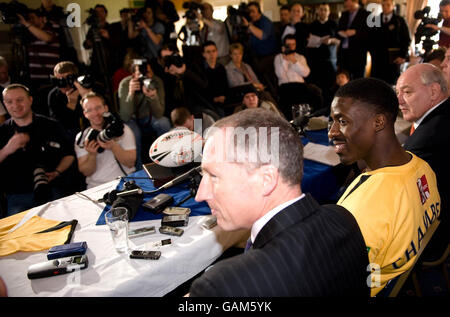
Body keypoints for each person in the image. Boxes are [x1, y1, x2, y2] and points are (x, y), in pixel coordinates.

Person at [188, 108, 370, 296]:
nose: (200, 194)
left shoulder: (221, 286)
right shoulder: (341, 217)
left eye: (214, 176)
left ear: (266, 180)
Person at [329, 78, 441, 296]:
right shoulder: (421, 166)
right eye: (332, 121)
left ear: (378, 122)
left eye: (342, 121)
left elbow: (331, 280)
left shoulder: (362, 209)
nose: (331, 132)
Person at [397, 63, 450, 262]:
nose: (399, 100)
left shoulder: (428, 139)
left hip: (432, 234)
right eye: (397, 92)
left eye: (407, 92)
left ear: (433, 92)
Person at [0, 84, 76, 216]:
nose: (15, 105)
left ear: (30, 100)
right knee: (17, 235)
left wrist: (57, 172)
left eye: (20, 100)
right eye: (9, 101)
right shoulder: (2, 132)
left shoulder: (51, 125)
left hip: (53, 189)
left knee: (67, 224)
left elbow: (69, 155)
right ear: (4, 104)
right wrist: (7, 149)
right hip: (18, 196)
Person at [75, 92, 136, 189]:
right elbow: (86, 171)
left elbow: (130, 163)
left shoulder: (122, 129)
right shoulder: (81, 137)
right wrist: (92, 155)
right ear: (85, 114)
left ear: (106, 108)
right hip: (97, 186)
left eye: (98, 108)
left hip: (124, 182)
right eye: (89, 110)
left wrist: (113, 146)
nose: (95, 113)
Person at [118, 58, 171, 169]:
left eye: (148, 73)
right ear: (133, 74)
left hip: (149, 117)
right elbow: (125, 116)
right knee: (134, 133)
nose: (145, 77)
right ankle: (139, 170)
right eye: (141, 74)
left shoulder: (156, 82)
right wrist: (131, 94)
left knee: (164, 123)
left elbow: (159, 114)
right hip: (132, 120)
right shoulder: (125, 83)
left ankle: (167, 162)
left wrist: (153, 97)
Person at [369, 0, 411, 85]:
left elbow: (406, 39)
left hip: (393, 58)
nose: (385, 7)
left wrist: (402, 55)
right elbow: (370, 39)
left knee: (391, 83)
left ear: (393, 6)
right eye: (383, 5)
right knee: (376, 83)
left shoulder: (399, 20)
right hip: (378, 58)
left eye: (388, 5)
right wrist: (372, 52)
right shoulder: (376, 20)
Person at [336, 0, 370, 79]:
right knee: (343, 81)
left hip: (358, 55)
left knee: (358, 82)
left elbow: (370, 33)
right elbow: (337, 30)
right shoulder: (344, 14)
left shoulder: (366, 14)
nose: (345, 4)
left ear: (355, 1)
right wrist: (341, 32)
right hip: (343, 54)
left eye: (347, 1)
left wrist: (356, 32)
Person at [199, 41, 229, 118]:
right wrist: (214, 99)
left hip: (222, 101)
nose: (212, 54)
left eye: (214, 51)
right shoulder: (200, 69)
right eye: (208, 52)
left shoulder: (221, 68)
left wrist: (223, 96)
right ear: (203, 54)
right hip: (206, 102)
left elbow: (225, 85)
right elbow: (200, 91)